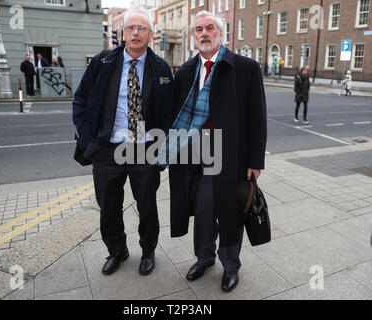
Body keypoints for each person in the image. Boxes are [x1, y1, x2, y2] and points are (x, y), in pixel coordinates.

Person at [168, 11, 267, 293]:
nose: (204, 33)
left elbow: (257, 117)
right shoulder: (186, 71)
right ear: (193, 36)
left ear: (221, 34)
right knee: (200, 207)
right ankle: (204, 257)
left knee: (228, 209)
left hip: (229, 151)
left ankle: (230, 265)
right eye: (198, 29)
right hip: (193, 151)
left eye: (209, 28)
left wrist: (255, 160)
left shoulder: (246, 68)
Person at [73, 8, 173, 276]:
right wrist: (89, 142)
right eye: (131, 28)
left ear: (151, 35)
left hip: (143, 149)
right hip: (107, 148)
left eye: (142, 28)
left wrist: (159, 149)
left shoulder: (161, 68)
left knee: (147, 207)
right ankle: (117, 251)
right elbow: (81, 100)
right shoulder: (103, 62)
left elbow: (169, 112)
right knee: (108, 208)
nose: (136, 33)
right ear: (123, 33)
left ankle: (148, 250)